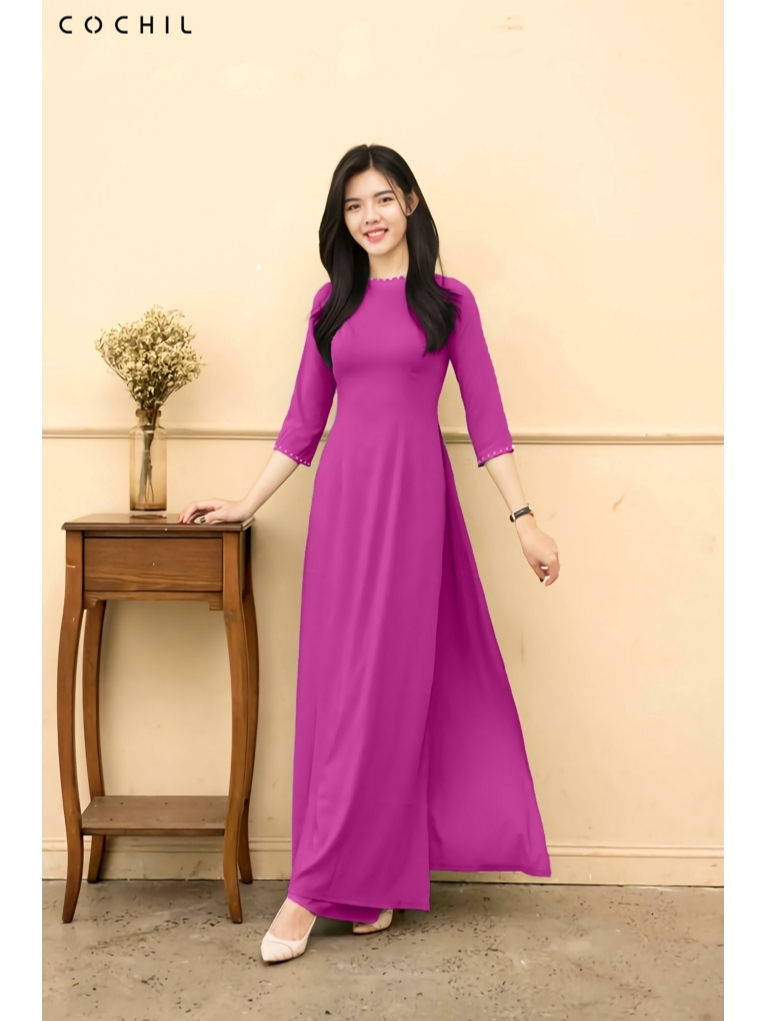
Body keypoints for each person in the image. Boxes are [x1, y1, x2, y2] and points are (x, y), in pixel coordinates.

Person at [179, 143, 560, 964]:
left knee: (387, 692)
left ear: (411, 203)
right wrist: (244, 503)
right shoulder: (331, 303)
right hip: (343, 512)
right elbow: (302, 423)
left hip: (414, 510)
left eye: (383, 198)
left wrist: (524, 518)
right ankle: (368, 882)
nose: (370, 216)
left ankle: (311, 890)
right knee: (341, 691)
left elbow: (487, 419)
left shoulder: (449, 303)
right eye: (354, 206)